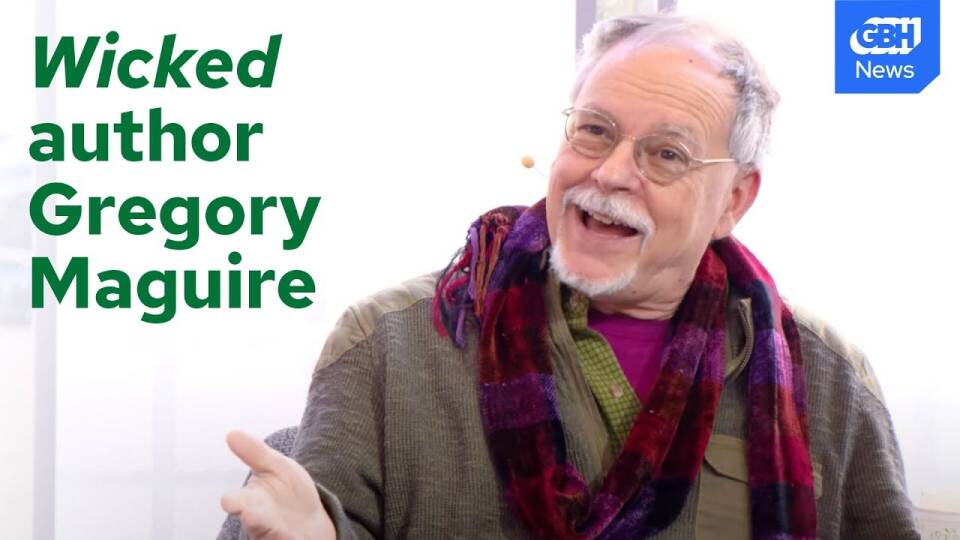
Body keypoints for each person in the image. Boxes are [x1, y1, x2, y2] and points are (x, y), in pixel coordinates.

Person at [220, 13, 919, 539]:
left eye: (666, 154)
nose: (611, 173)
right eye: (594, 131)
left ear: (734, 200)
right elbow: (309, 519)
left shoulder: (825, 380)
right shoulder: (389, 345)